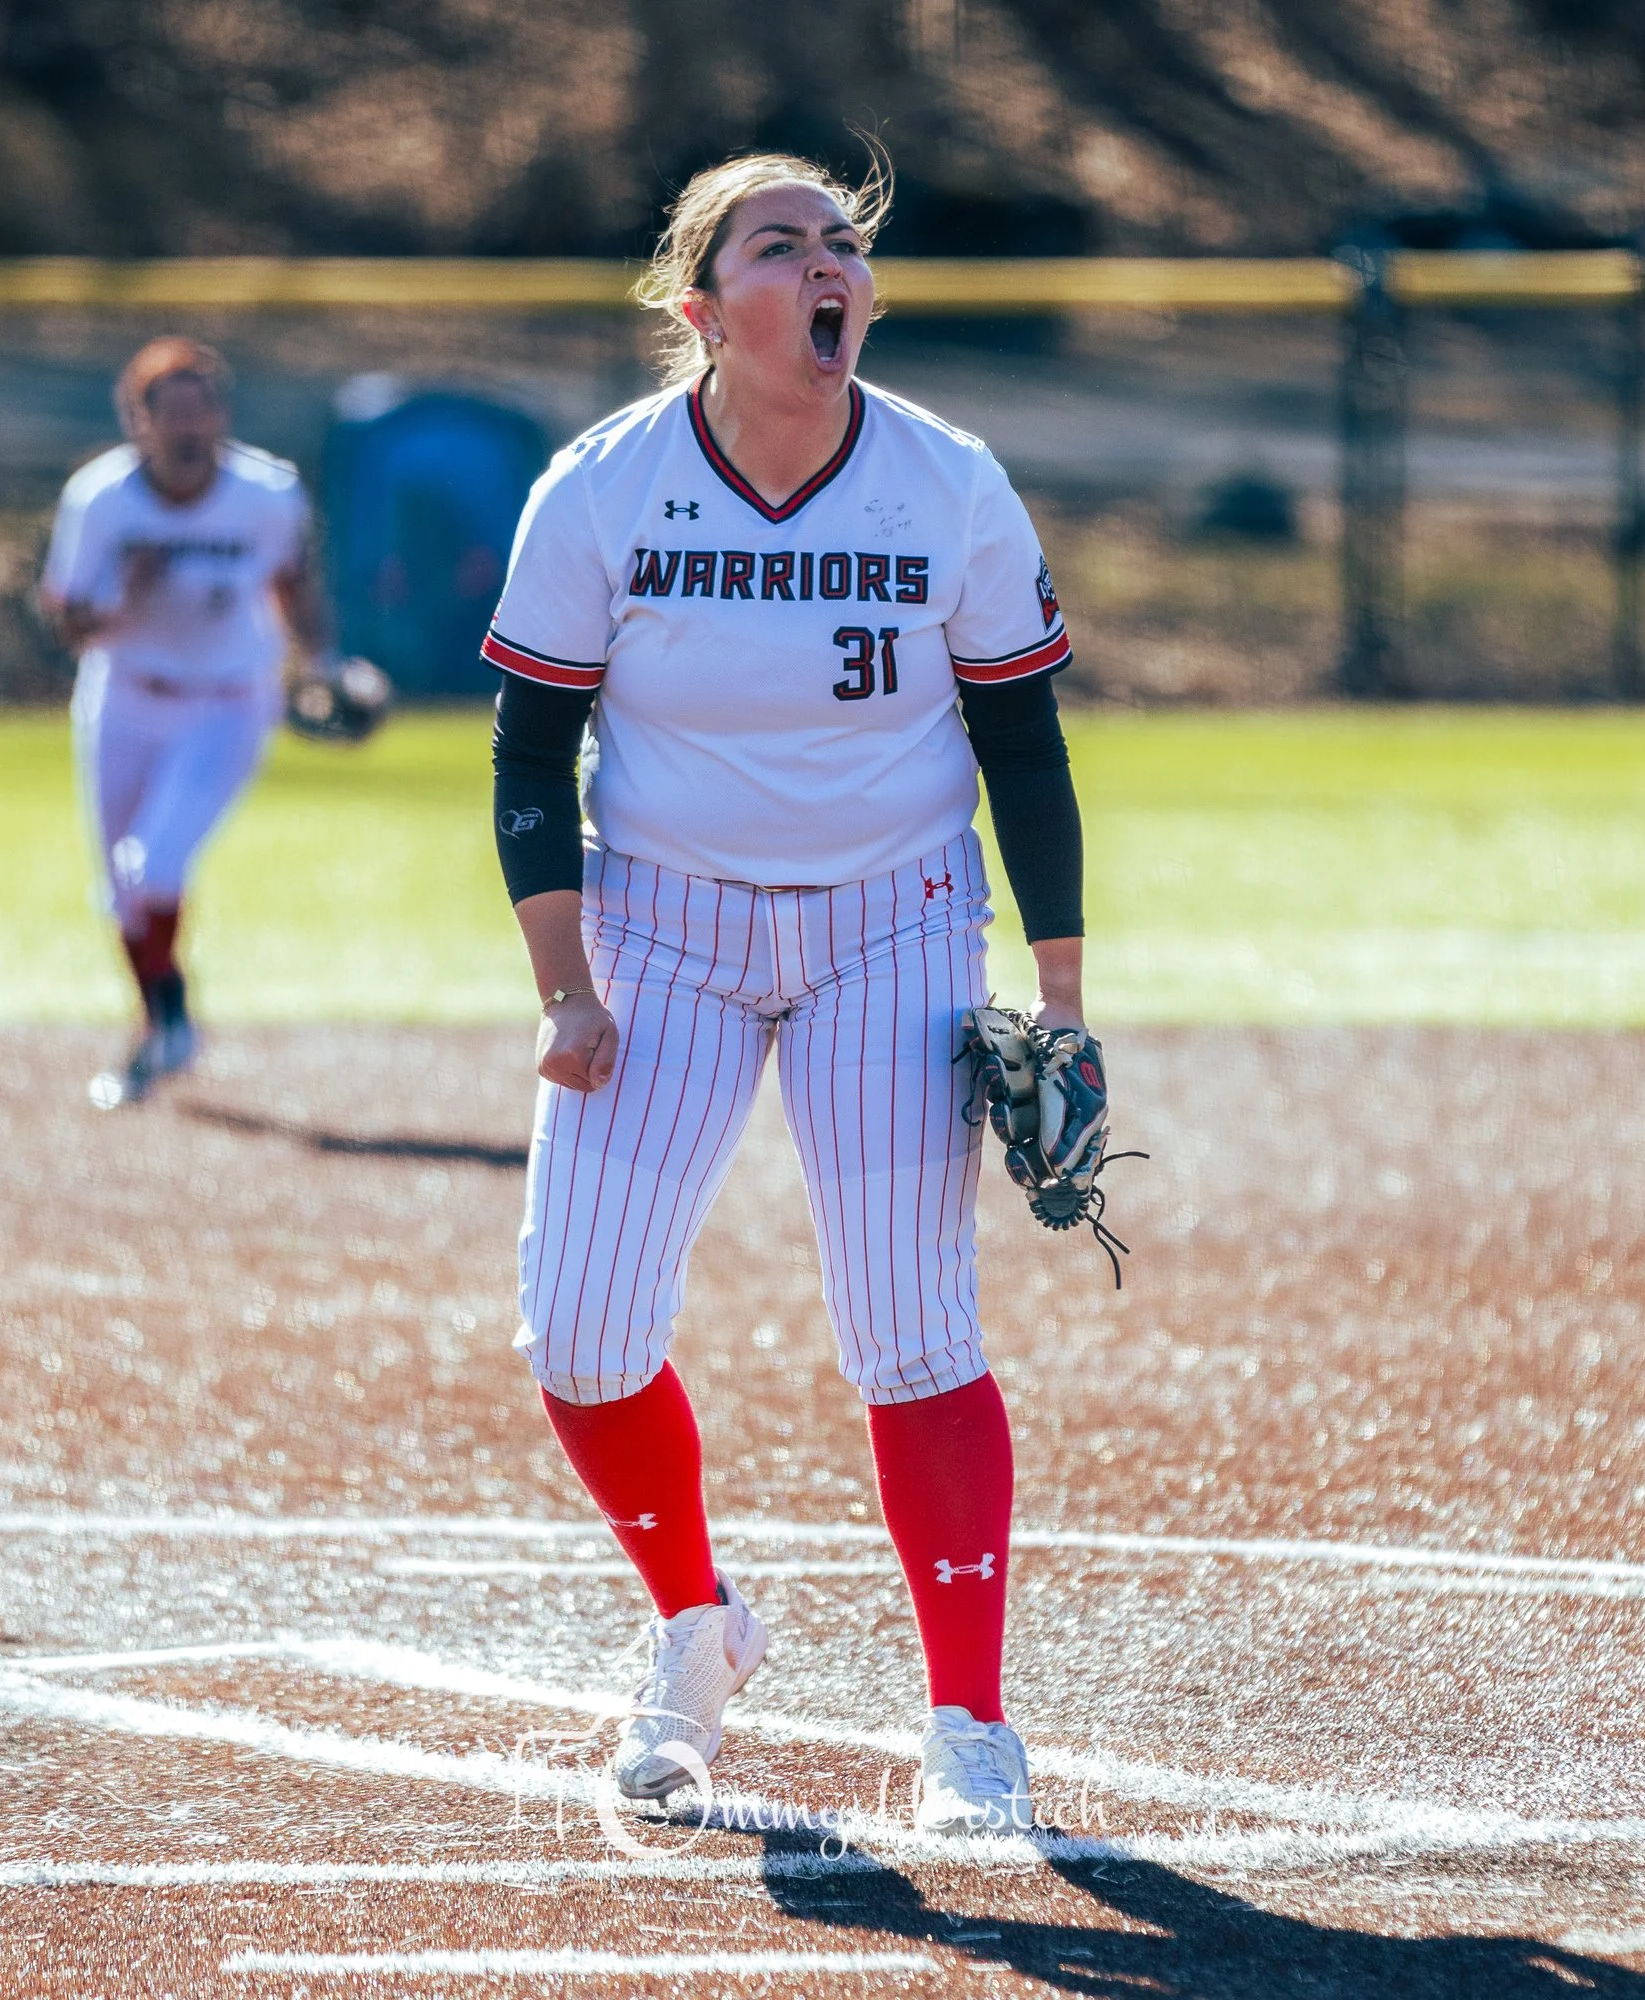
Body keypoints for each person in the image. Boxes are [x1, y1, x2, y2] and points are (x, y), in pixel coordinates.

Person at [486, 149, 1090, 1835]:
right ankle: (695, 1630)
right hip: (660, 929)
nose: (829, 266)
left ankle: (969, 1725)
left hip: (892, 921)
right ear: (703, 310)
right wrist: (564, 985)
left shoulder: (945, 481)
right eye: (782, 245)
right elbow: (532, 745)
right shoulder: (602, 489)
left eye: (845, 245)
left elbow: (1020, 738)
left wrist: (1063, 996)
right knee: (583, 1329)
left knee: (912, 1331)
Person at [40, 338, 334, 1107]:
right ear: (137, 420)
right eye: (169, 412)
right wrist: (117, 604)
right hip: (126, 695)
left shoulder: (265, 493)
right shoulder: (102, 499)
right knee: (119, 890)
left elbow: (295, 584)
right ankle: (160, 1024)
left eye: (201, 409)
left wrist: (326, 663)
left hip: (229, 702)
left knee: (156, 866)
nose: (188, 428)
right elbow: (68, 621)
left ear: (222, 415)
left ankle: (167, 1025)